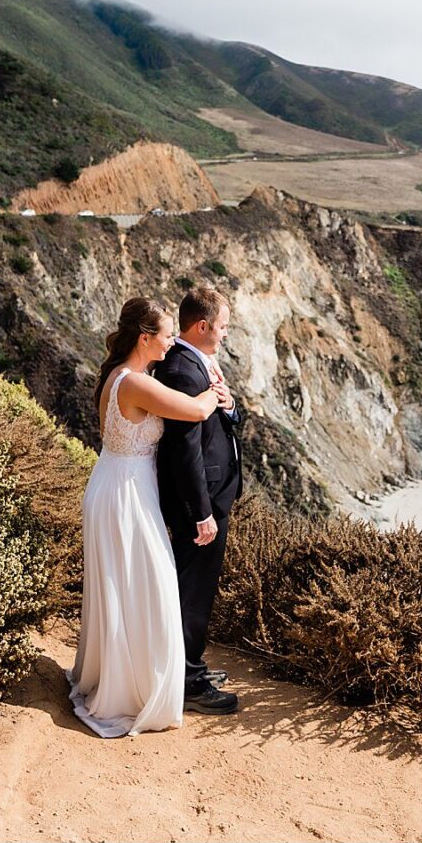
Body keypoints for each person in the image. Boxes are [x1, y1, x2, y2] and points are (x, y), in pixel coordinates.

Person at [68, 297, 231, 738]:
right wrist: (215, 394)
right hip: (127, 493)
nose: (171, 342)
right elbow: (194, 411)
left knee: (126, 586)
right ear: (145, 338)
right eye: (164, 336)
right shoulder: (134, 383)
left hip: (116, 483)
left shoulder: (121, 374)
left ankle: (127, 677)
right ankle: (136, 690)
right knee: (147, 585)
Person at [154, 286, 244, 715]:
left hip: (213, 494)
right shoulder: (182, 371)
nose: (226, 333)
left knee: (199, 589)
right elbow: (183, 450)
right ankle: (187, 681)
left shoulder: (198, 362)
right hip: (200, 502)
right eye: (223, 326)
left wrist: (229, 407)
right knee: (191, 591)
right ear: (202, 325)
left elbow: (224, 421)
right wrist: (202, 511)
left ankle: (190, 664)